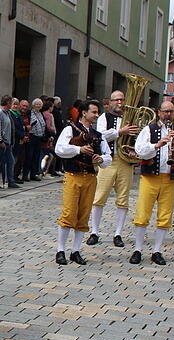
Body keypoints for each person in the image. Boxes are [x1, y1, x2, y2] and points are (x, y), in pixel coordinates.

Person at [130, 101, 174, 265]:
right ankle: (137, 249)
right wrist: (157, 145)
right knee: (142, 214)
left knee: (165, 216)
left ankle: (157, 251)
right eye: (165, 112)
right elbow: (140, 150)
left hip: (169, 179)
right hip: (150, 177)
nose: (168, 115)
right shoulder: (149, 129)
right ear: (158, 112)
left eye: (171, 112)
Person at [54, 100, 112, 265]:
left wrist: (101, 159)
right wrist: (78, 149)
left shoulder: (98, 135)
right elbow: (59, 149)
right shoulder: (70, 129)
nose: (96, 115)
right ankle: (60, 250)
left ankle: (76, 251)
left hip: (91, 178)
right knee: (69, 213)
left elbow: (108, 157)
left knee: (84, 215)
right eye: (93, 112)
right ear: (84, 113)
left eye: (97, 112)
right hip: (73, 175)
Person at [88, 90, 141, 247]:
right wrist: (120, 132)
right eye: (116, 100)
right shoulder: (105, 117)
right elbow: (100, 135)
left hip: (125, 162)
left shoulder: (133, 118)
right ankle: (94, 232)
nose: (120, 103)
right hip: (109, 161)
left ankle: (118, 233)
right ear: (110, 102)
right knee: (100, 196)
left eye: (122, 100)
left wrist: (134, 149)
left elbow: (138, 138)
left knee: (123, 199)